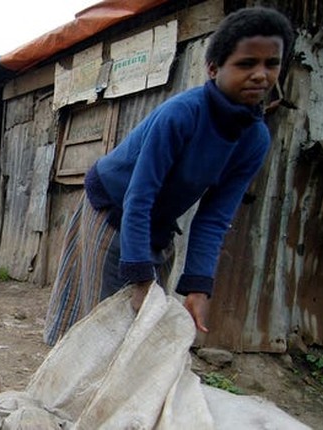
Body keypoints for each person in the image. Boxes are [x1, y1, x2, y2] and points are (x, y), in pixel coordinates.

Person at [42, 7, 294, 346]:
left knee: (145, 329)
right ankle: (71, 391)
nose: (261, 75)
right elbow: (139, 195)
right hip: (113, 209)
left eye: (272, 64)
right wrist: (139, 276)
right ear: (213, 68)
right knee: (105, 322)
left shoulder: (254, 139)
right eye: (246, 64)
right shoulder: (182, 114)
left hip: (156, 224)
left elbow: (214, 218)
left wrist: (198, 286)